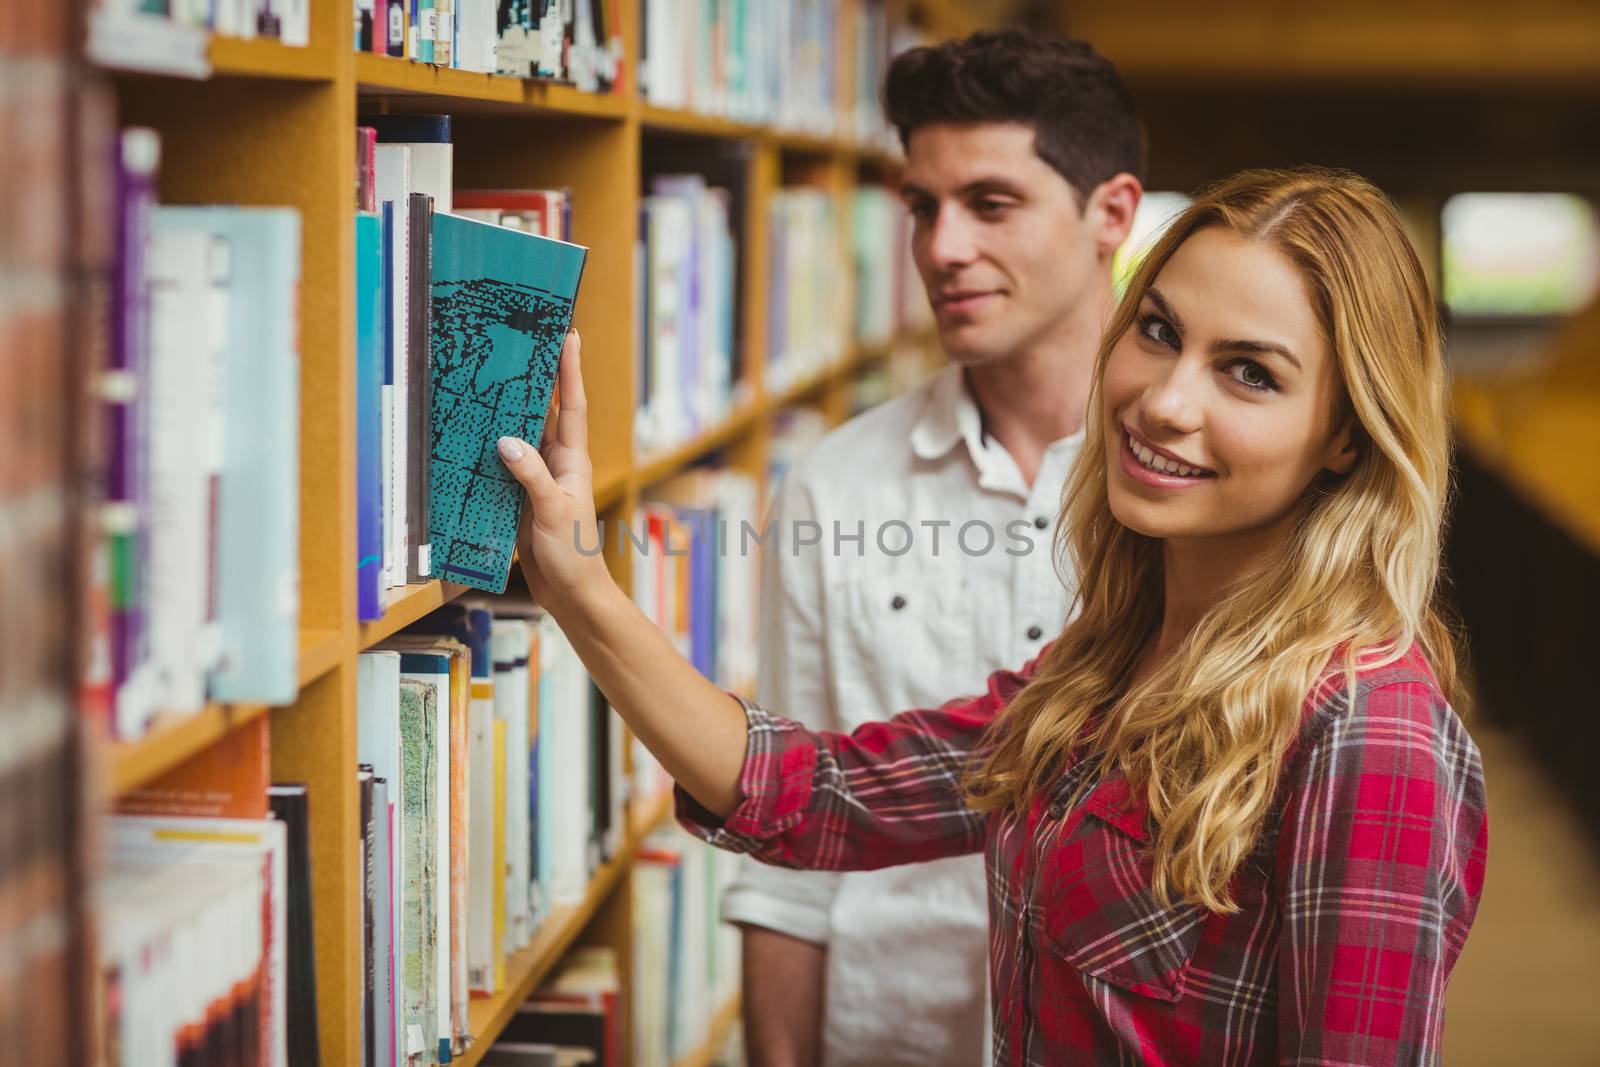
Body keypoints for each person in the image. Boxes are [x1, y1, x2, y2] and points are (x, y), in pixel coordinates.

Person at [499, 165, 1489, 1064]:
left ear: (1346, 440)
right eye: (1157, 330)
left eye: (1249, 372)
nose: (1163, 400)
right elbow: (825, 798)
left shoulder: (1368, 729)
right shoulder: (1107, 667)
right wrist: (577, 584)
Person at [723, 28, 1143, 1067]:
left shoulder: (1194, 478)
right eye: (922, 207)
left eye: (990, 204)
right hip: (891, 1033)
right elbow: (787, 848)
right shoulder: (833, 483)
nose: (942, 248)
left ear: (1112, 213)